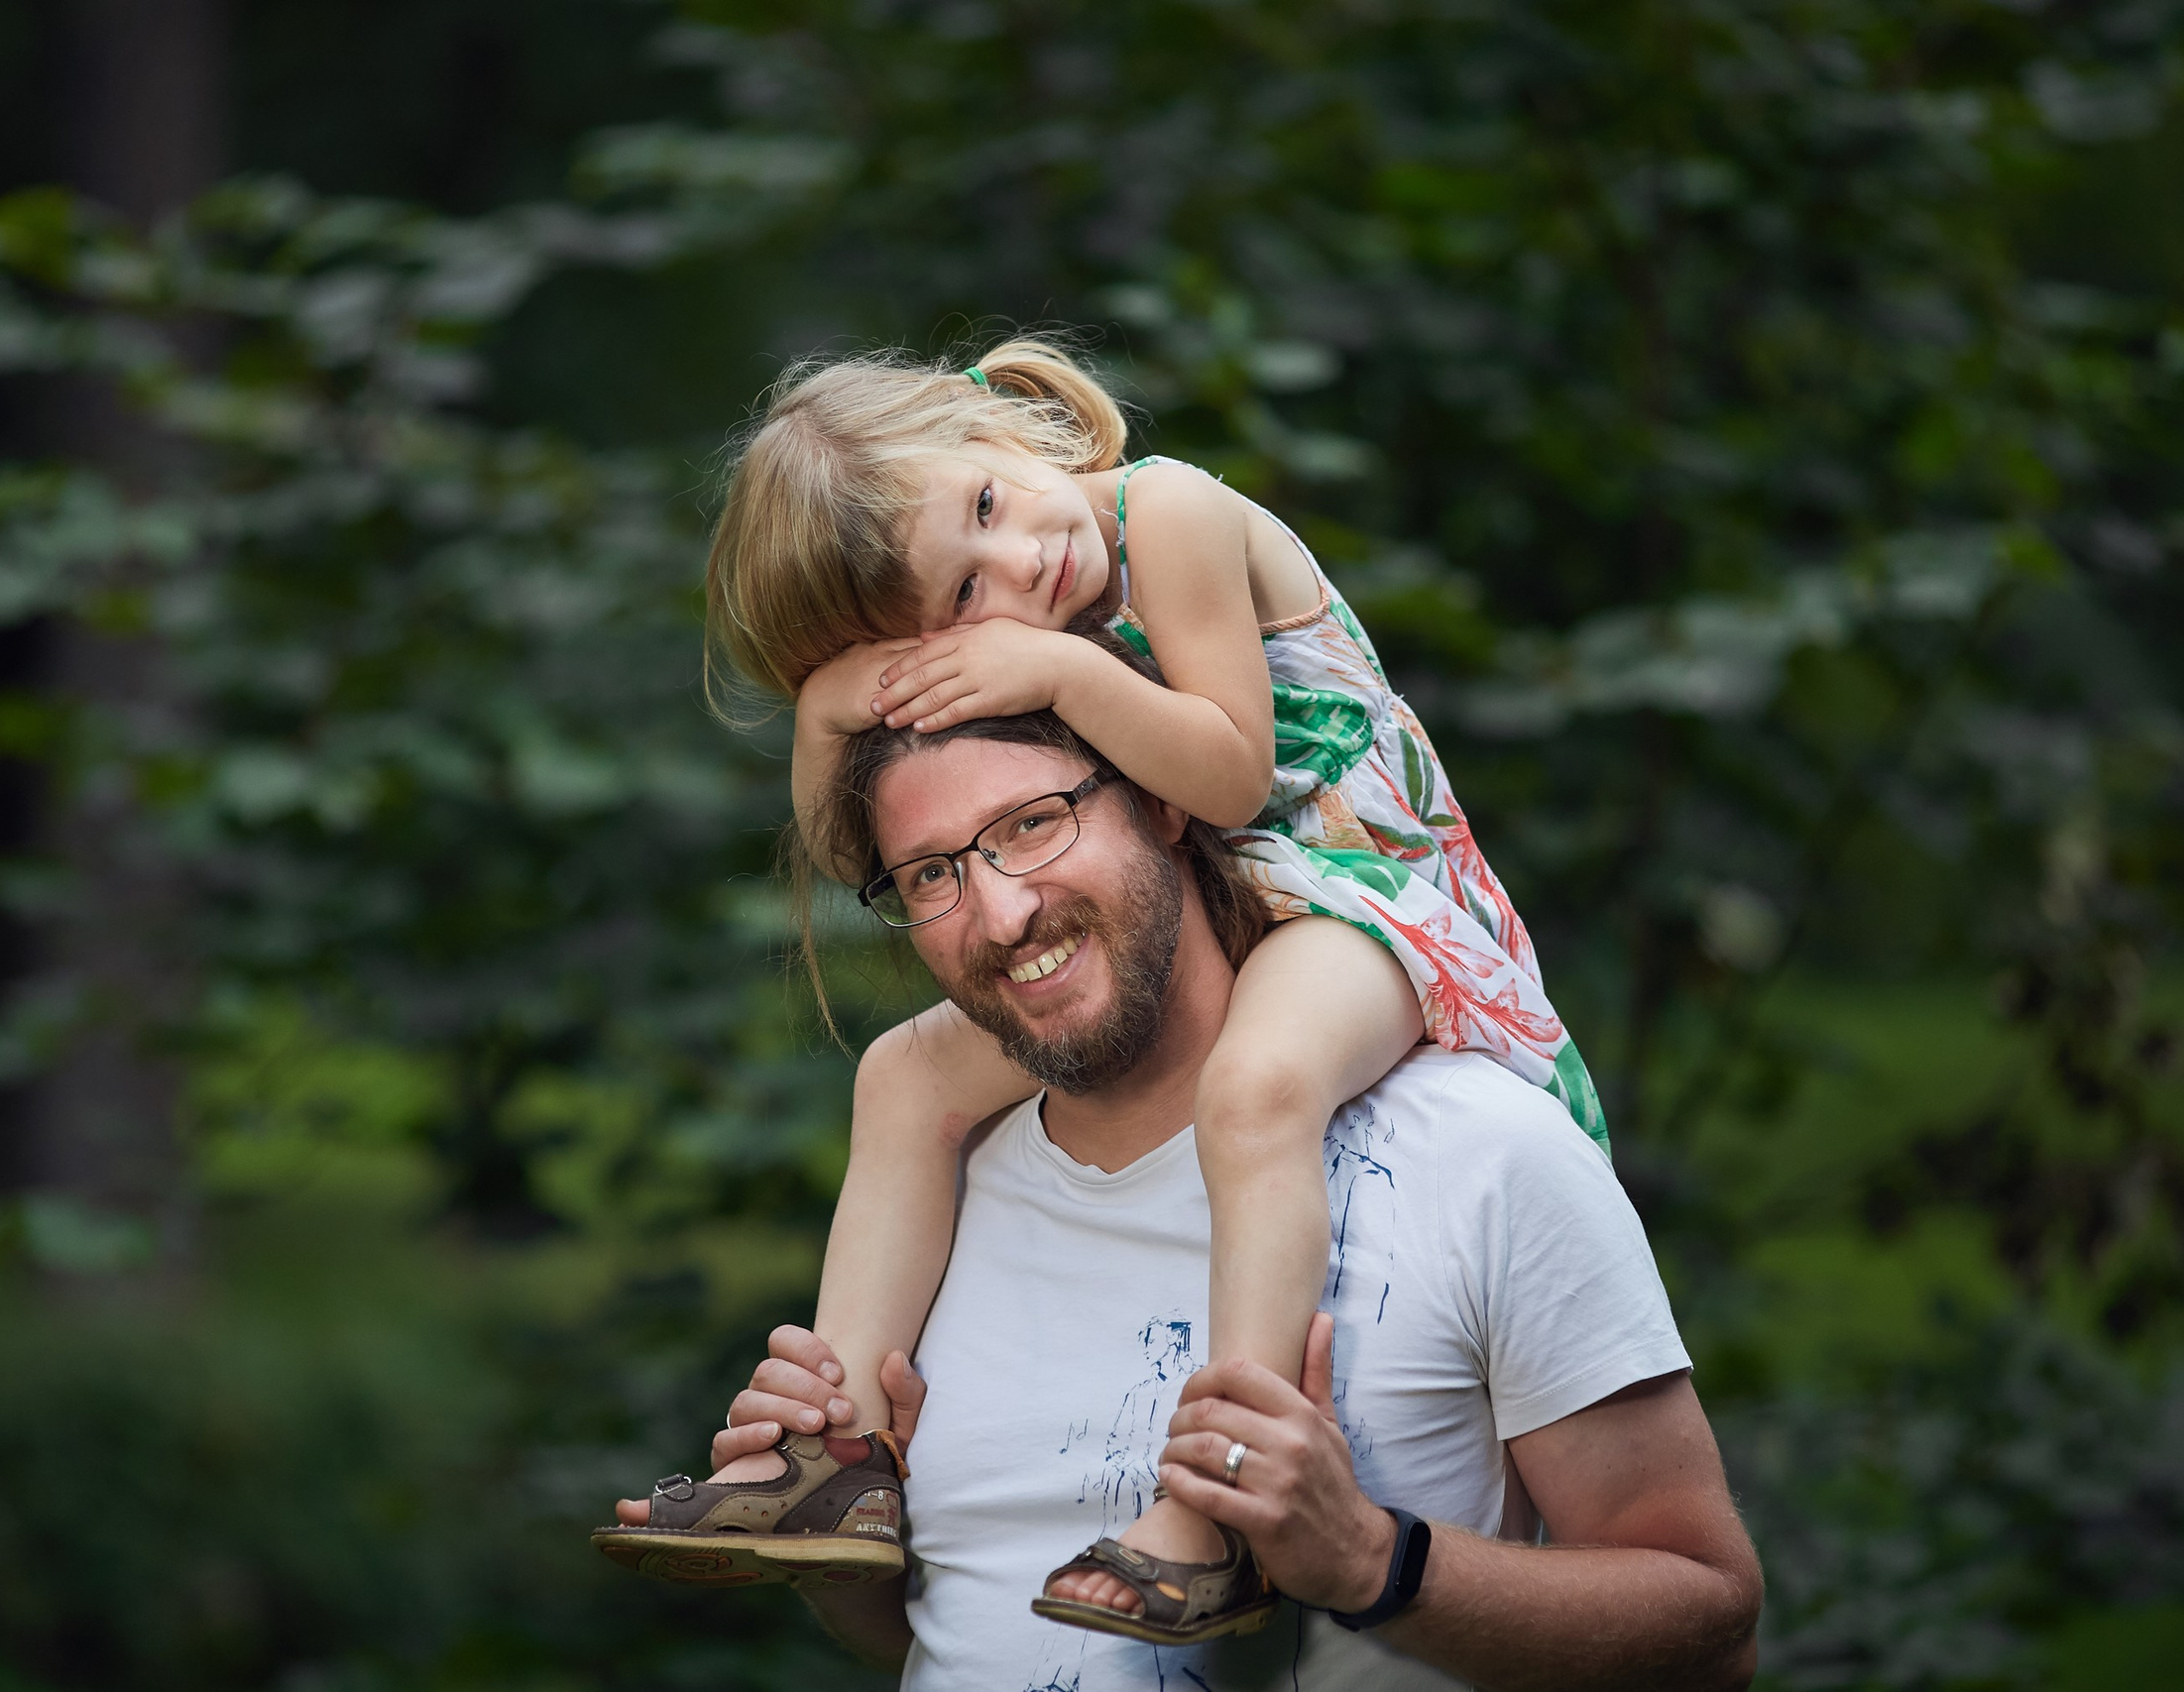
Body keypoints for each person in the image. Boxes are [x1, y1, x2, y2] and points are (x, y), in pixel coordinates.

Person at [601, 336, 1606, 1629]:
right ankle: (830, 1460)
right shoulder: (1017, 625)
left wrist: (1063, 667)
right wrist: (824, 714)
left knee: (1257, 1086)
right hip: (1207, 909)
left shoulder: (1167, 510)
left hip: (1369, 894)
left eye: (985, 502)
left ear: (1003, 422)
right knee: (903, 1076)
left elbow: (1236, 775)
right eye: (963, 590)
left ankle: (1224, 1496)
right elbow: (858, 843)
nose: (1021, 560)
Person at [607, 702, 1761, 1688]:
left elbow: (1709, 1631)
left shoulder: (1480, 1152)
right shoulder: (931, 1193)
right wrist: (842, 1552)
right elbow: (947, 1634)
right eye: (932, 875)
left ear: (1160, 798)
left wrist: (1369, 1561)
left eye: (1032, 824)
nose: (1001, 914)